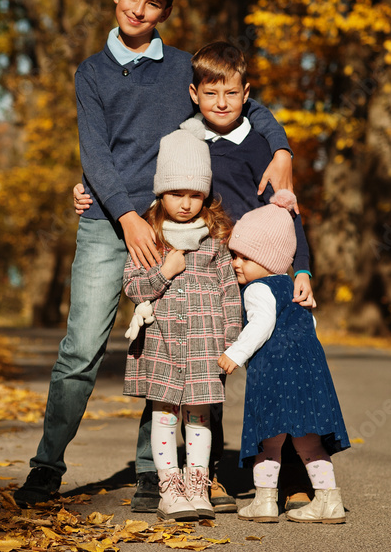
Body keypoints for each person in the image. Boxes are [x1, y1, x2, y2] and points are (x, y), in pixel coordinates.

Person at [13, 0, 295, 511]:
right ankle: (46, 466)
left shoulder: (183, 69)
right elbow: (94, 150)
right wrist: (122, 214)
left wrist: (282, 148)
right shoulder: (92, 73)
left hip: (175, 228)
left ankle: (152, 470)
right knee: (81, 349)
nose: (139, 10)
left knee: (172, 343)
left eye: (153, 3)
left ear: (166, 10)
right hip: (108, 224)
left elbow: (246, 104)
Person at [73, 40, 315, 512]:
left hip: (262, 269)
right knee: (212, 372)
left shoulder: (263, 142)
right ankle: (213, 477)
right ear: (194, 94)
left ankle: (294, 474)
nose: (220, 102)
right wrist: (91, 192)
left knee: (277, 372)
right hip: (213, 265)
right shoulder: (185, 137)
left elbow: (288, 210)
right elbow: (136, 164)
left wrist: (300, 266)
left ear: (245, 93)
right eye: (210, 94)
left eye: (231, 93)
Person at [121, 119, 242, 521]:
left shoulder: (216, 239)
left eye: (195, 194)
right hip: (163, 344)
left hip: (206, 344)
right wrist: (165, 271)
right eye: (176, 193)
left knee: (200, 416)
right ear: (161, 192)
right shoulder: (148, 237)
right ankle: (169, 489)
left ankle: (197, 484)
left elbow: (229, 292)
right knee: (164, 414)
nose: (186, 203)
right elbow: (133, 287)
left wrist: (231, 339)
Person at [218, 191, 350, 524]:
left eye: (244, 257)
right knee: (309, 443)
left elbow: (261, 324)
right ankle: (328, 500)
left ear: (270, 259)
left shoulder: (257, 289)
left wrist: (235, 353)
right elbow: (311, 325)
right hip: (309, 375)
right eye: (234, 255)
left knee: (269, 441)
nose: (236, 263)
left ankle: (264, 501)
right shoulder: (295, 288)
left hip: (274, 376)